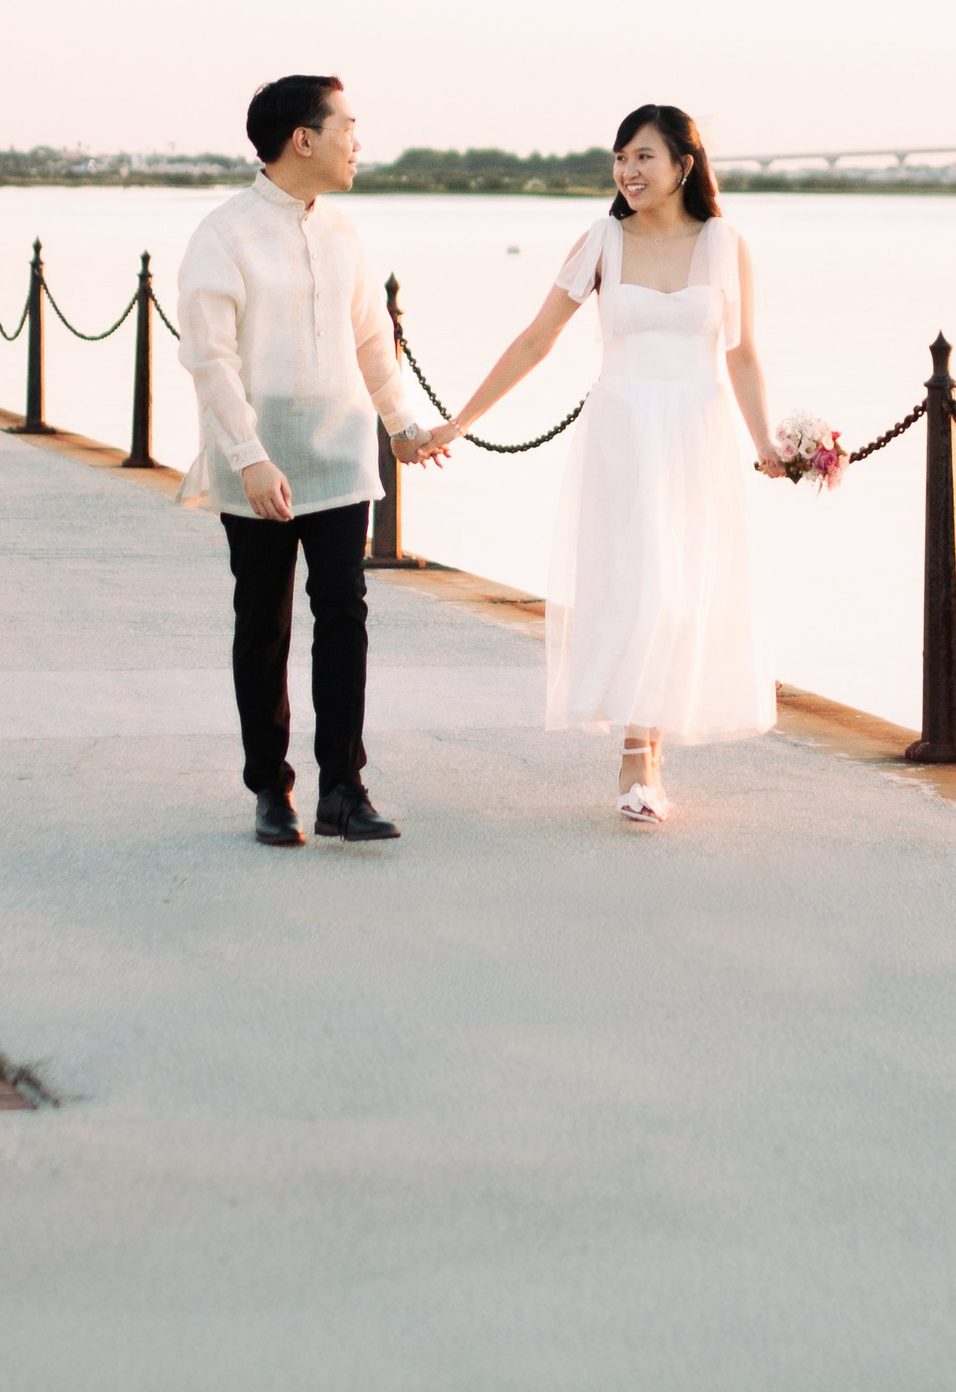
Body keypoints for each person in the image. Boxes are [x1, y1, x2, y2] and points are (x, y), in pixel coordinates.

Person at [432, 103, 783, 823]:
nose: (628, 171)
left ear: (685, 164)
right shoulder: (600, 241)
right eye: (621, 157)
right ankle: (636, 753)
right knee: (636, 585)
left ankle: (651, 745)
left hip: (697, 432)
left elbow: (742, 353)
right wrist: (462, 420)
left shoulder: (724, 242)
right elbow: (536, 340)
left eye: (644, 156)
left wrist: (767, 443)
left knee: (680, 591)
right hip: (622, 432)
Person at [175, 75, 440, 847]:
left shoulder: (343, 233)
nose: (358, 141)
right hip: (255, 462)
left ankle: (343, 788)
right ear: (303, 138)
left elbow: (370, 340)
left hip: (338, 455)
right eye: (347, 126)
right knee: (263, 623)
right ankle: (271, 788)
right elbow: (210, 359)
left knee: (344, 615)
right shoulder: (224, 234)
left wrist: (402, 425)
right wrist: (250, 456)